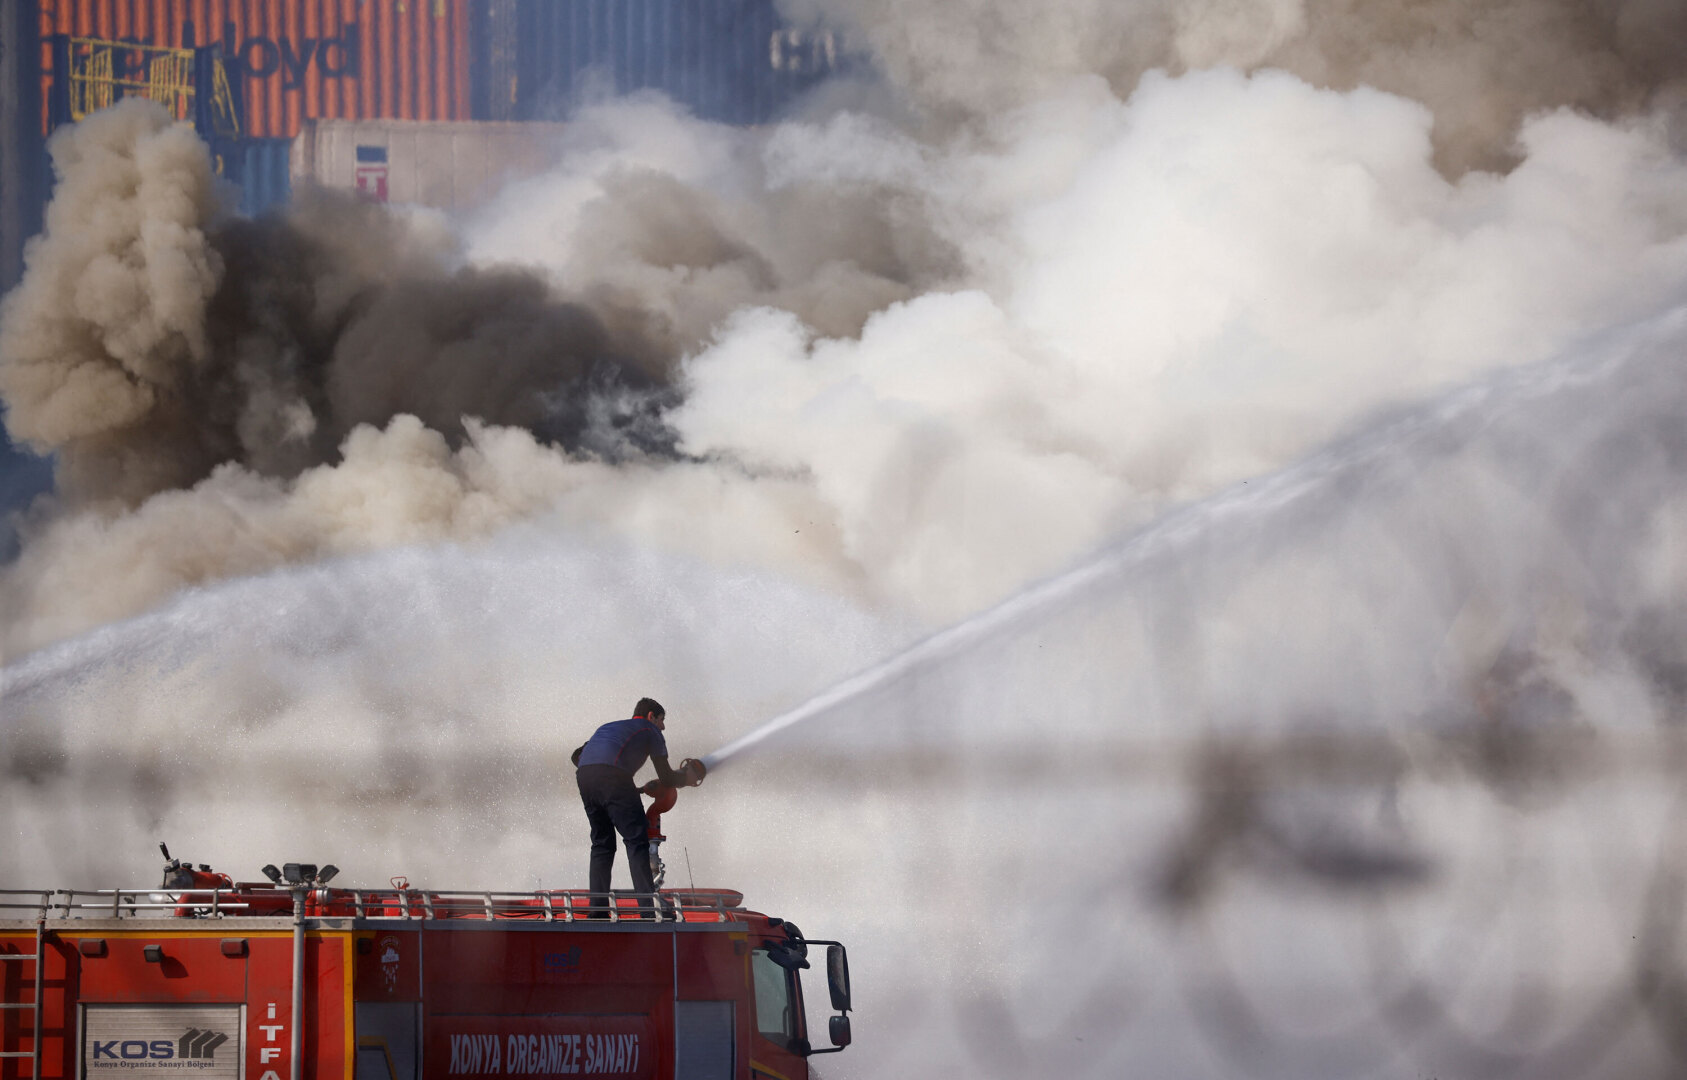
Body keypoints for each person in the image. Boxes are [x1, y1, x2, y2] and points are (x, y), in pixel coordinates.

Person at [572, 697, 703, 914]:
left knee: (602, 844)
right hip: (613, 777)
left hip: (585, 776)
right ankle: (648, 908)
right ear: (650, 716)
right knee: (636, 840)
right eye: (662, 719)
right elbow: (668, 778)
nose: (663, 726)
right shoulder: (651, 731)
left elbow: (576, 756)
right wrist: (686, 777)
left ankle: (597, 909)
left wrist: (603, 778)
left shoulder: (609, 727)